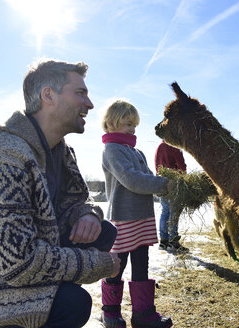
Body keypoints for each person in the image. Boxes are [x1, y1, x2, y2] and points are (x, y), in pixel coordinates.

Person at [0, 59, 121, 328]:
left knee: (104, 231)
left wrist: (87, 213)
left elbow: (77, 199)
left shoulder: (59, 150)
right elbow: (19, 262)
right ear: (48, 95)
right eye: (80, 93)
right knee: (73, 303)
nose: (90, 104)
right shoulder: (3, 155)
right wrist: (98, 264)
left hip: (4, 265)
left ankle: (38, 306)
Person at [100, 100, 173, 328]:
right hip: (122, 217)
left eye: (134, 125)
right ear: (111, 123)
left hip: (142, 217)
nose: (132, 129)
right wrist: (165, 184)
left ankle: (143, 314)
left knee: (141, 264)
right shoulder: (112, 150)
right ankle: (110, 312)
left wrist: (167, 186)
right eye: (127, 124)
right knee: (117, 265)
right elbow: (132, 180)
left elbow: (148, 176)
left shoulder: (137, 151)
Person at [154, 140, 188, 252]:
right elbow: (181, 166)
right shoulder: (174, 146)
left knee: (165, 211)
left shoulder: (159, 147)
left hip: (162, 183)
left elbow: (157, 166)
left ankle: (163, 241)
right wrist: (184, 178)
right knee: (174, 212)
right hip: (173, 183)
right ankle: (173, 241)